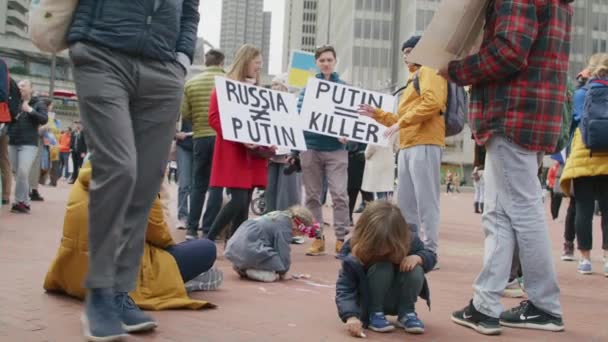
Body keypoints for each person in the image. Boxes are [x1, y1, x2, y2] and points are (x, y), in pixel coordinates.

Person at [66, 0, 199, 339]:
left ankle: (117, 294)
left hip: (163, 67)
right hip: (103, 52)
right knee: (119, 168)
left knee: (144, 185)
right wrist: (82, 38)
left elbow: (190, 9)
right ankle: (98, 291)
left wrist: (181, 59)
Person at [441, 0, 573, 334]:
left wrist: (456, 70)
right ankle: (485, 304)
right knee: (500, 212)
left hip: (510, 111)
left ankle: (545, 304)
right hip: (531, 111)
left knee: (522, 209)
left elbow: (510, 51)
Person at [43, 162, 219, 310]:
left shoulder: (87, 172)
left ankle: (187, 278)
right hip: (116, 277)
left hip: (71, 274)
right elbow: (161, 236)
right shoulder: (140, 177)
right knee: (206, 248)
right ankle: (183, 282)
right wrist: (160, 192)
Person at [359, 36, 446, 255]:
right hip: (409, 143)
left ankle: (430, 249)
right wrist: (377, 114)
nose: (405, 56)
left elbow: (433, 103)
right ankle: (411, 245)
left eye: (409, 51)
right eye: (404, 52)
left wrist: (401, 122)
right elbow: (401, 117)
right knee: (406, 203)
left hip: (425, 141)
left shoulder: (430, 69)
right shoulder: (412, 79)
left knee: (426, 200)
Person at [335, 201, 436, 337]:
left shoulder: (409, 240)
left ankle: (407, 313)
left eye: (387, 243)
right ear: (365, 236)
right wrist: (351, 316)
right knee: (383, 267)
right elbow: (345, 288)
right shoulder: (355, 252)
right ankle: (374, 314)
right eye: (376, 244)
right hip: (370, 300)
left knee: (416, 269)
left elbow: (431, 256)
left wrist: (418, 257)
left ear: (399, 237)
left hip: (398, 298)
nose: (381, 249)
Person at [206, 44, 270, 242]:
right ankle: (209, 237)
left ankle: (235, 244)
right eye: (257, 63)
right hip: (234, 150)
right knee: (239, 199)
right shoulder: (225, 87)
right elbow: (214, 118)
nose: (259, 67)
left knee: (245, 201)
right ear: (246, 62)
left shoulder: (258, 89)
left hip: (253, 154)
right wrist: (240, 137)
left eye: (261, 63)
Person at [298, 45, 350, 257]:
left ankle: (341, 239)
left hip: (336, 149)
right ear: (316, 63)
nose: (326, 63)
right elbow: (299, 111)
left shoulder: (345, 88)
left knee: (339, 194)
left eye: (329, 60)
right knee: (312, 196)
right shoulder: (307, 89)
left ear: (335, 61)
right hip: (310, 147)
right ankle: (317, 238)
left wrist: (346, 133)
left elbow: (351, 117)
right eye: (322, 60)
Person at [560, 53, 608, 277]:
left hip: (583, 153)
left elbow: (572, 123)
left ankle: (585, 259)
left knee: (583, 209)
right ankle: (607, 259)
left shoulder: (581, 93)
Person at [182, 49, 226, 239]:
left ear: (206, 63)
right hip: (222, 137)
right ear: (222, 63)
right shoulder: (228, 81)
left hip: (199, 137)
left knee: (197, 183)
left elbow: (185, 113)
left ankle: (192, 227)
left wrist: (199, 123)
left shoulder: (191, 83)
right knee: (216, 184)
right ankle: (209, 228)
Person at [225, 206, 316, 282]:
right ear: (298, 225)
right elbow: (283, 251)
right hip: (248, 248)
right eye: (302, 233)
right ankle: (248, 270)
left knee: (271, 257)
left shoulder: (280, 215)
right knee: (272, 273)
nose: (300, 235)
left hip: (235, 246)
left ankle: (242, 265)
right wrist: (283, 271)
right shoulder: (285, 227)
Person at [7, 80, 48, 213]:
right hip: (13, 141)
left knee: (23, 172)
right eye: (19, 86)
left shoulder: (38, 103)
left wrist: (29, 110)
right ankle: (25, 202)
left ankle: (18, 202)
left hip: (29, 144)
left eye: (23, 86)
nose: (20, 88)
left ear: (31, 89)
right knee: (19, 174)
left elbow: (43, 119)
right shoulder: (13, 103)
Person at [264, 74, 303, 214]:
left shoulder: (295, 103)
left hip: (288, 153)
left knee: (287, 191)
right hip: (271, 153)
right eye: (273, 84)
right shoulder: (266, 103)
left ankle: (288, 218)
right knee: (270, 189)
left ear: (285, 86)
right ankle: (270, 217)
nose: (274, 87)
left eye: (277, 84)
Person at [361, 133, 399, 201]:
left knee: (379, 189)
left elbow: (372, 145)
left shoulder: (378, 126)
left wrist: (366, 154)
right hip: (388, 161)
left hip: (376, 162)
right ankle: (385, 207)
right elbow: (396, 147)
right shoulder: (394, 128)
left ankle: (382, 209)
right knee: (385, 188)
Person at [347, 142, 373, 223]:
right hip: (352, 161)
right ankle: (349, 217)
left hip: (366, 162)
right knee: (351, 193)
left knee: (368, 194)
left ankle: (372, 219)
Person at [175, 118, 193, 229]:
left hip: (202, 146)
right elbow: (169, 118)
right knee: (184, 183)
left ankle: (194, 218)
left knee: (197, 186)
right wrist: (175, 133)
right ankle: (182, 217)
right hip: (184, 146)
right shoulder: (182, 102)